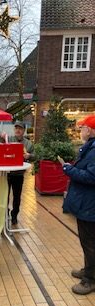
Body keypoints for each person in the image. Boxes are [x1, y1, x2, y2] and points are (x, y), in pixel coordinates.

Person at [61, 115, 95, 295]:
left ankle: (90, 279)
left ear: (89, 130)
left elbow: (91, 177)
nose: (80, 131)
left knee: (90, 242)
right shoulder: (90, 147)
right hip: (87, 203)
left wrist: (69, 170)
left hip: (90, 205)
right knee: (87, 240)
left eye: (82, 128)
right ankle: (88, 269)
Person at [8, 121, 35, 224]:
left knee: (17, 196)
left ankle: (14, 215)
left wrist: (29, 156)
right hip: (6, 173)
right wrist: (0, 137)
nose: (17, 130)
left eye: (20, 128)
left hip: (18, 174)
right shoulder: (9, 139)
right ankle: (5, 213)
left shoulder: (28, 143)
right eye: (16, 128)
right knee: (5, 195)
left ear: (23, 130)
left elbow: (34, 156)